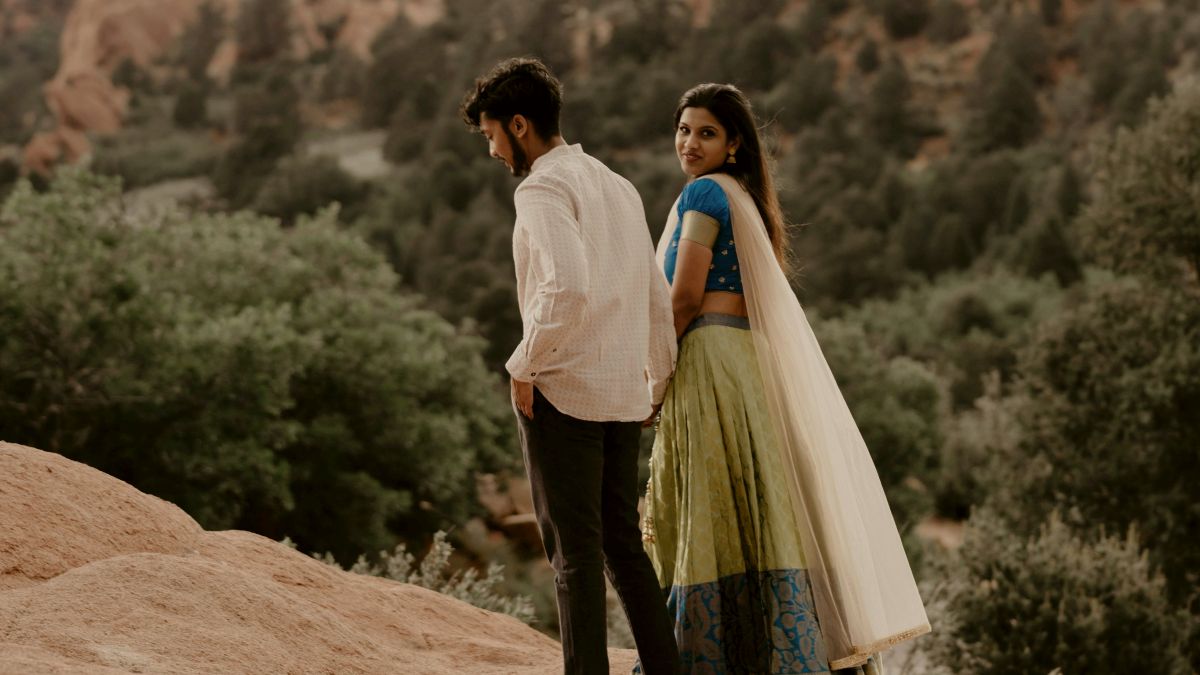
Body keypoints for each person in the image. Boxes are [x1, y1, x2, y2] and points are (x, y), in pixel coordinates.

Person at [639, 83, 930, 674]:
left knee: (712, 509)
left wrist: (652, 384)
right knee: (759, 508)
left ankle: (711, 659)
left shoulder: (702, 196)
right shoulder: (745, 200)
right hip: (745, 366)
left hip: (710, 365)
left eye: (707, 133)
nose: (689, 143)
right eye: (684, 130)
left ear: (735, 142)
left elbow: (684, 299)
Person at [459, 57, 681, 675]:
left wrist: (523, 364)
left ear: (520, 125)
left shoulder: (542, 189)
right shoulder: (618, 184)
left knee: (574, 556)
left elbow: (568, 289)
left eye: (492, 136)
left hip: (564, 392)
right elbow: (655, 294)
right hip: (622, 393)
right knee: (624, 552)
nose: (493, 151)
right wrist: (655, 381)